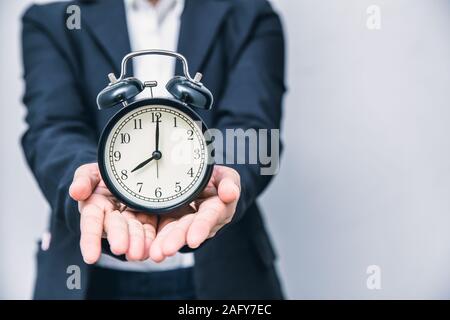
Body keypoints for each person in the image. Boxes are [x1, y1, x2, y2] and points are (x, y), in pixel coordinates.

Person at [21, 0, 285, 299]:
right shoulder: (56, 20)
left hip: (221, 278)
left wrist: (209, 177)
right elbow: (52, 129)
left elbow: (255, 130)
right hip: (90, 281)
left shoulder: (248, 14)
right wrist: (89, 179)